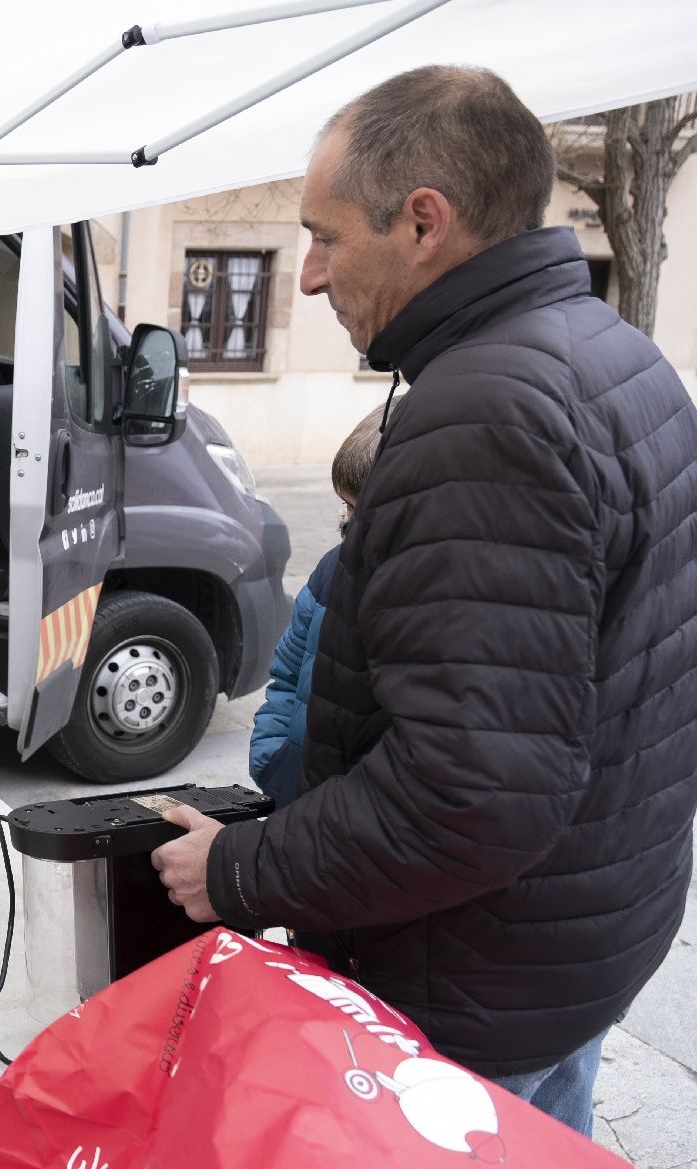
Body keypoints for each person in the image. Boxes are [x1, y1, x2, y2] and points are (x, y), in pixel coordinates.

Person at [152, 66, 697, 1135]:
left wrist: (238, 867)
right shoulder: (612, 351)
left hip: (480, 983)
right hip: (574, 942)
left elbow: (473, 791)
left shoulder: (483, 411)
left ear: (421, 222)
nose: (305, 277)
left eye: (323, 236)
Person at [247, 404, 386, 807]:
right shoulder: (330, 570)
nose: (349, 522)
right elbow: (288, 675)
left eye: (365, 511)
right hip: (297, 791)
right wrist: (274, 758)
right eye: (346, 505)